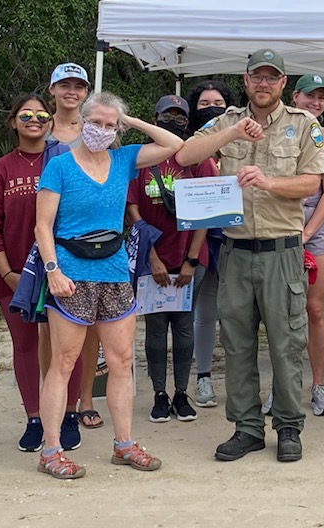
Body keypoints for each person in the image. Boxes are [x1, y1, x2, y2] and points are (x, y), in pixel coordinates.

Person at [176, 49, 324, 464]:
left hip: (282, 250)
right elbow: (186, 156)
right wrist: (231, 135)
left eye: (272, 77)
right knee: (238, 343)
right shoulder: (225, 121)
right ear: (246, 81)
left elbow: (312, 183)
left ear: (284, 83)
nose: (264, 84)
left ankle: (288, 427)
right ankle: (246, 428)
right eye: (257, 77)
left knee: (285, 344)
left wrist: (267, 181)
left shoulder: (304, 125)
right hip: (236, 250)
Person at [34, 90, 183, 479]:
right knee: (63, 363)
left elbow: (175, 144)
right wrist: (53, 270)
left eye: (108, 124)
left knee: (120, 362)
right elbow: (43, 226)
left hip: (114, 271)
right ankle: (51, 450)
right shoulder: (60, 167)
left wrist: (129, 121)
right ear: (81, 122)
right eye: (95, 122)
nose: (101, 130)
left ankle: (124, 444)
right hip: (70, 273)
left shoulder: (123, 159)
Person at [0, 94, 83, 453]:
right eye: (26, 114)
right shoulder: (1, 170)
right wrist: (6, 273)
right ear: (13, 122)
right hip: (17, 274)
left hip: (67, 268)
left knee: (68, 346)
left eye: (41, 114)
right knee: (24, 345)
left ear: (51, 122)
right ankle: (35, 418)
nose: (34, 120)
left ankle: (69, 414)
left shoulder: (68, 161)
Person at [126, 95, 212, 425]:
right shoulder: (143, 158)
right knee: (156, 328)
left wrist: (191, 260)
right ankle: (160, 394)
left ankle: (181, 393)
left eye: (180, 116)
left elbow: (207, 211)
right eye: (167, 115)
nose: (173, 121)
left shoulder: (197, 158)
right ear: (155, 117)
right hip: (154, 256)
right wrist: (151, 257)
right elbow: (132, 209)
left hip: (190, 254)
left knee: (185, 326)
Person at [45, 62, 106, 431]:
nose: (71, 91)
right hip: (50, 238)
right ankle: (51, 403)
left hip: (92, 243)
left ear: (86, 92)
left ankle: (83, 399)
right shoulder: (39, 127)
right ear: (52, 89)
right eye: (64, 84)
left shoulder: (95, 130)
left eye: (78, 86)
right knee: (50, 331)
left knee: (93, 325)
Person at [290, 73, 324, 416]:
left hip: (316, 227)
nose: (316, 102)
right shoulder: (278, 128)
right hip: (279, 221)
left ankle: (319, 384)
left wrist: (307, 233)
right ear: (295, 97)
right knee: (280, 312)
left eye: (322, 97)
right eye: (311, 96)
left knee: (315, 308)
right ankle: (284, 387)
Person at [186, 79, 236, 410]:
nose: (211, 108)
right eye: (204, 104)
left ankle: (238, 380)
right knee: (204, 312)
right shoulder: (189, 146)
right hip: (201, 240)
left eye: (217, 103)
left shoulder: (239, 142)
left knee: (237, 314)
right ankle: (203, 377)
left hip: (236, 237)